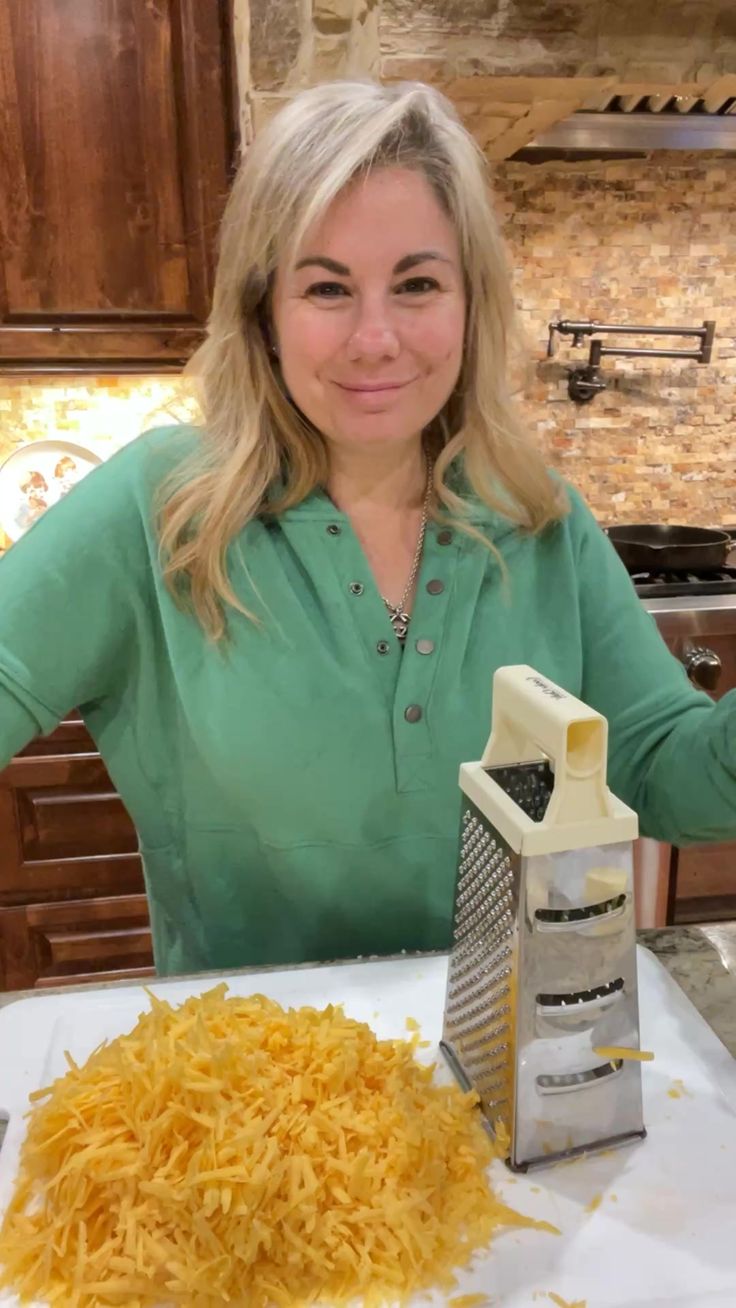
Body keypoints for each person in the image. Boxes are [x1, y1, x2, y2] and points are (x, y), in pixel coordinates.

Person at [0, 81, 734, 977]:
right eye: (327, 287)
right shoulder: (160, 510)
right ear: (265, 315)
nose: (376, 337)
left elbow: (664, 770)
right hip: (247, 1097)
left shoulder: (539, 518)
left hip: (496, 1080)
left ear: (472, 303)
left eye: (418, 283)